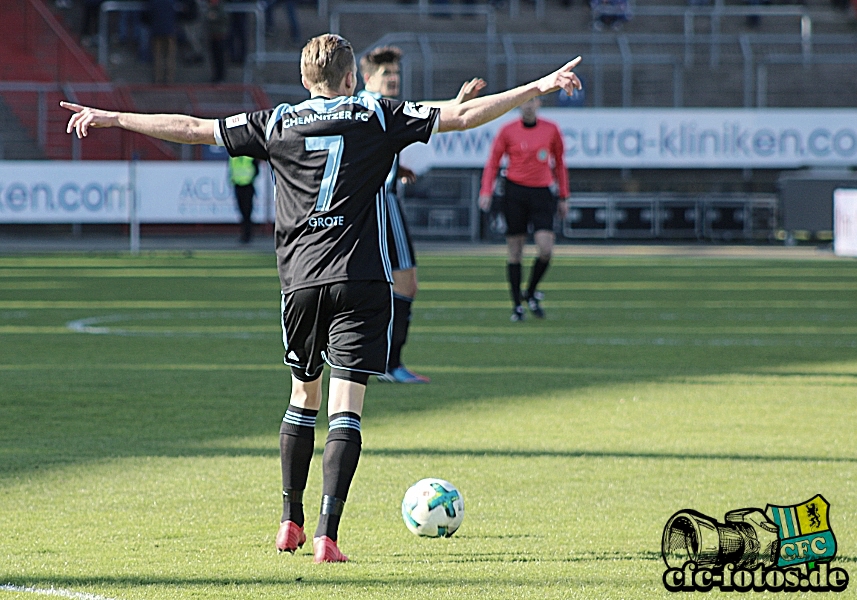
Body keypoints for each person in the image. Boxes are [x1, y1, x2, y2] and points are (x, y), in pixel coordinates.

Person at [60, 33, 582, 563]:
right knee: (346, 409)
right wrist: (538, 84)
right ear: (353, 78)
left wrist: (114, 117)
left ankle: (290, 522)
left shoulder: (278, 120)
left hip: (301, 281)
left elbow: (193, 129)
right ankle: (328, 537)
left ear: (306, 80)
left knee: (302, 399)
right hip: (360, 279)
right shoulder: (377, 114)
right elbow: (462, 117)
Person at [358, 46, 485, 384]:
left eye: (396, 73)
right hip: (382, 204)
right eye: (387, 74)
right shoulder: (380, 107)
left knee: (370, 285)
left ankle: (370, 360)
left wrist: (395, 169)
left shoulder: (361, 108)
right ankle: (389, 363)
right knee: (406, 284)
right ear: (367, 78)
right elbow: (440, 115)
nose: (394, 78)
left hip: (367, 202)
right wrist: (457, 102)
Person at [478, 97, 570, 322]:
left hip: (541, 193)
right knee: (515, 250)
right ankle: (517, 306)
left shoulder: (551, 129)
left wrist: (563, 196)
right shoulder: (507, 130)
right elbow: (493, 162)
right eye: (524, 101)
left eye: (532, 101)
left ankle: (530, 291)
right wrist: (486, 190)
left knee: (546, 248)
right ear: (518, 105)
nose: (528, 105)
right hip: (515, 192)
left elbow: (559, 162)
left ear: (539, 104)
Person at [229, 155, 259, 243]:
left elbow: (257, 170)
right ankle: (245, 234)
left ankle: (247, 235)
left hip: (248, 186)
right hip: (238, 185)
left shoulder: (249, 157)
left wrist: (250, 179)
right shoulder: (233, 157)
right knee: (241, 211)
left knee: (247, 211)